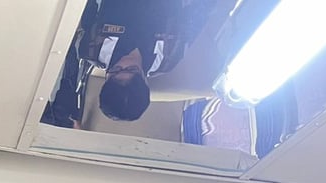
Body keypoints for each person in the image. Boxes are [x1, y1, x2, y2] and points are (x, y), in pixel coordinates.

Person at [42, 0, 213, 126]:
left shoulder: (91, 49)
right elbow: (194, 18)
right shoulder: (167, 59)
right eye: (132, 69)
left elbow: (88, 5)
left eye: (116, 70)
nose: (124, 62)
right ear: (145, 80)